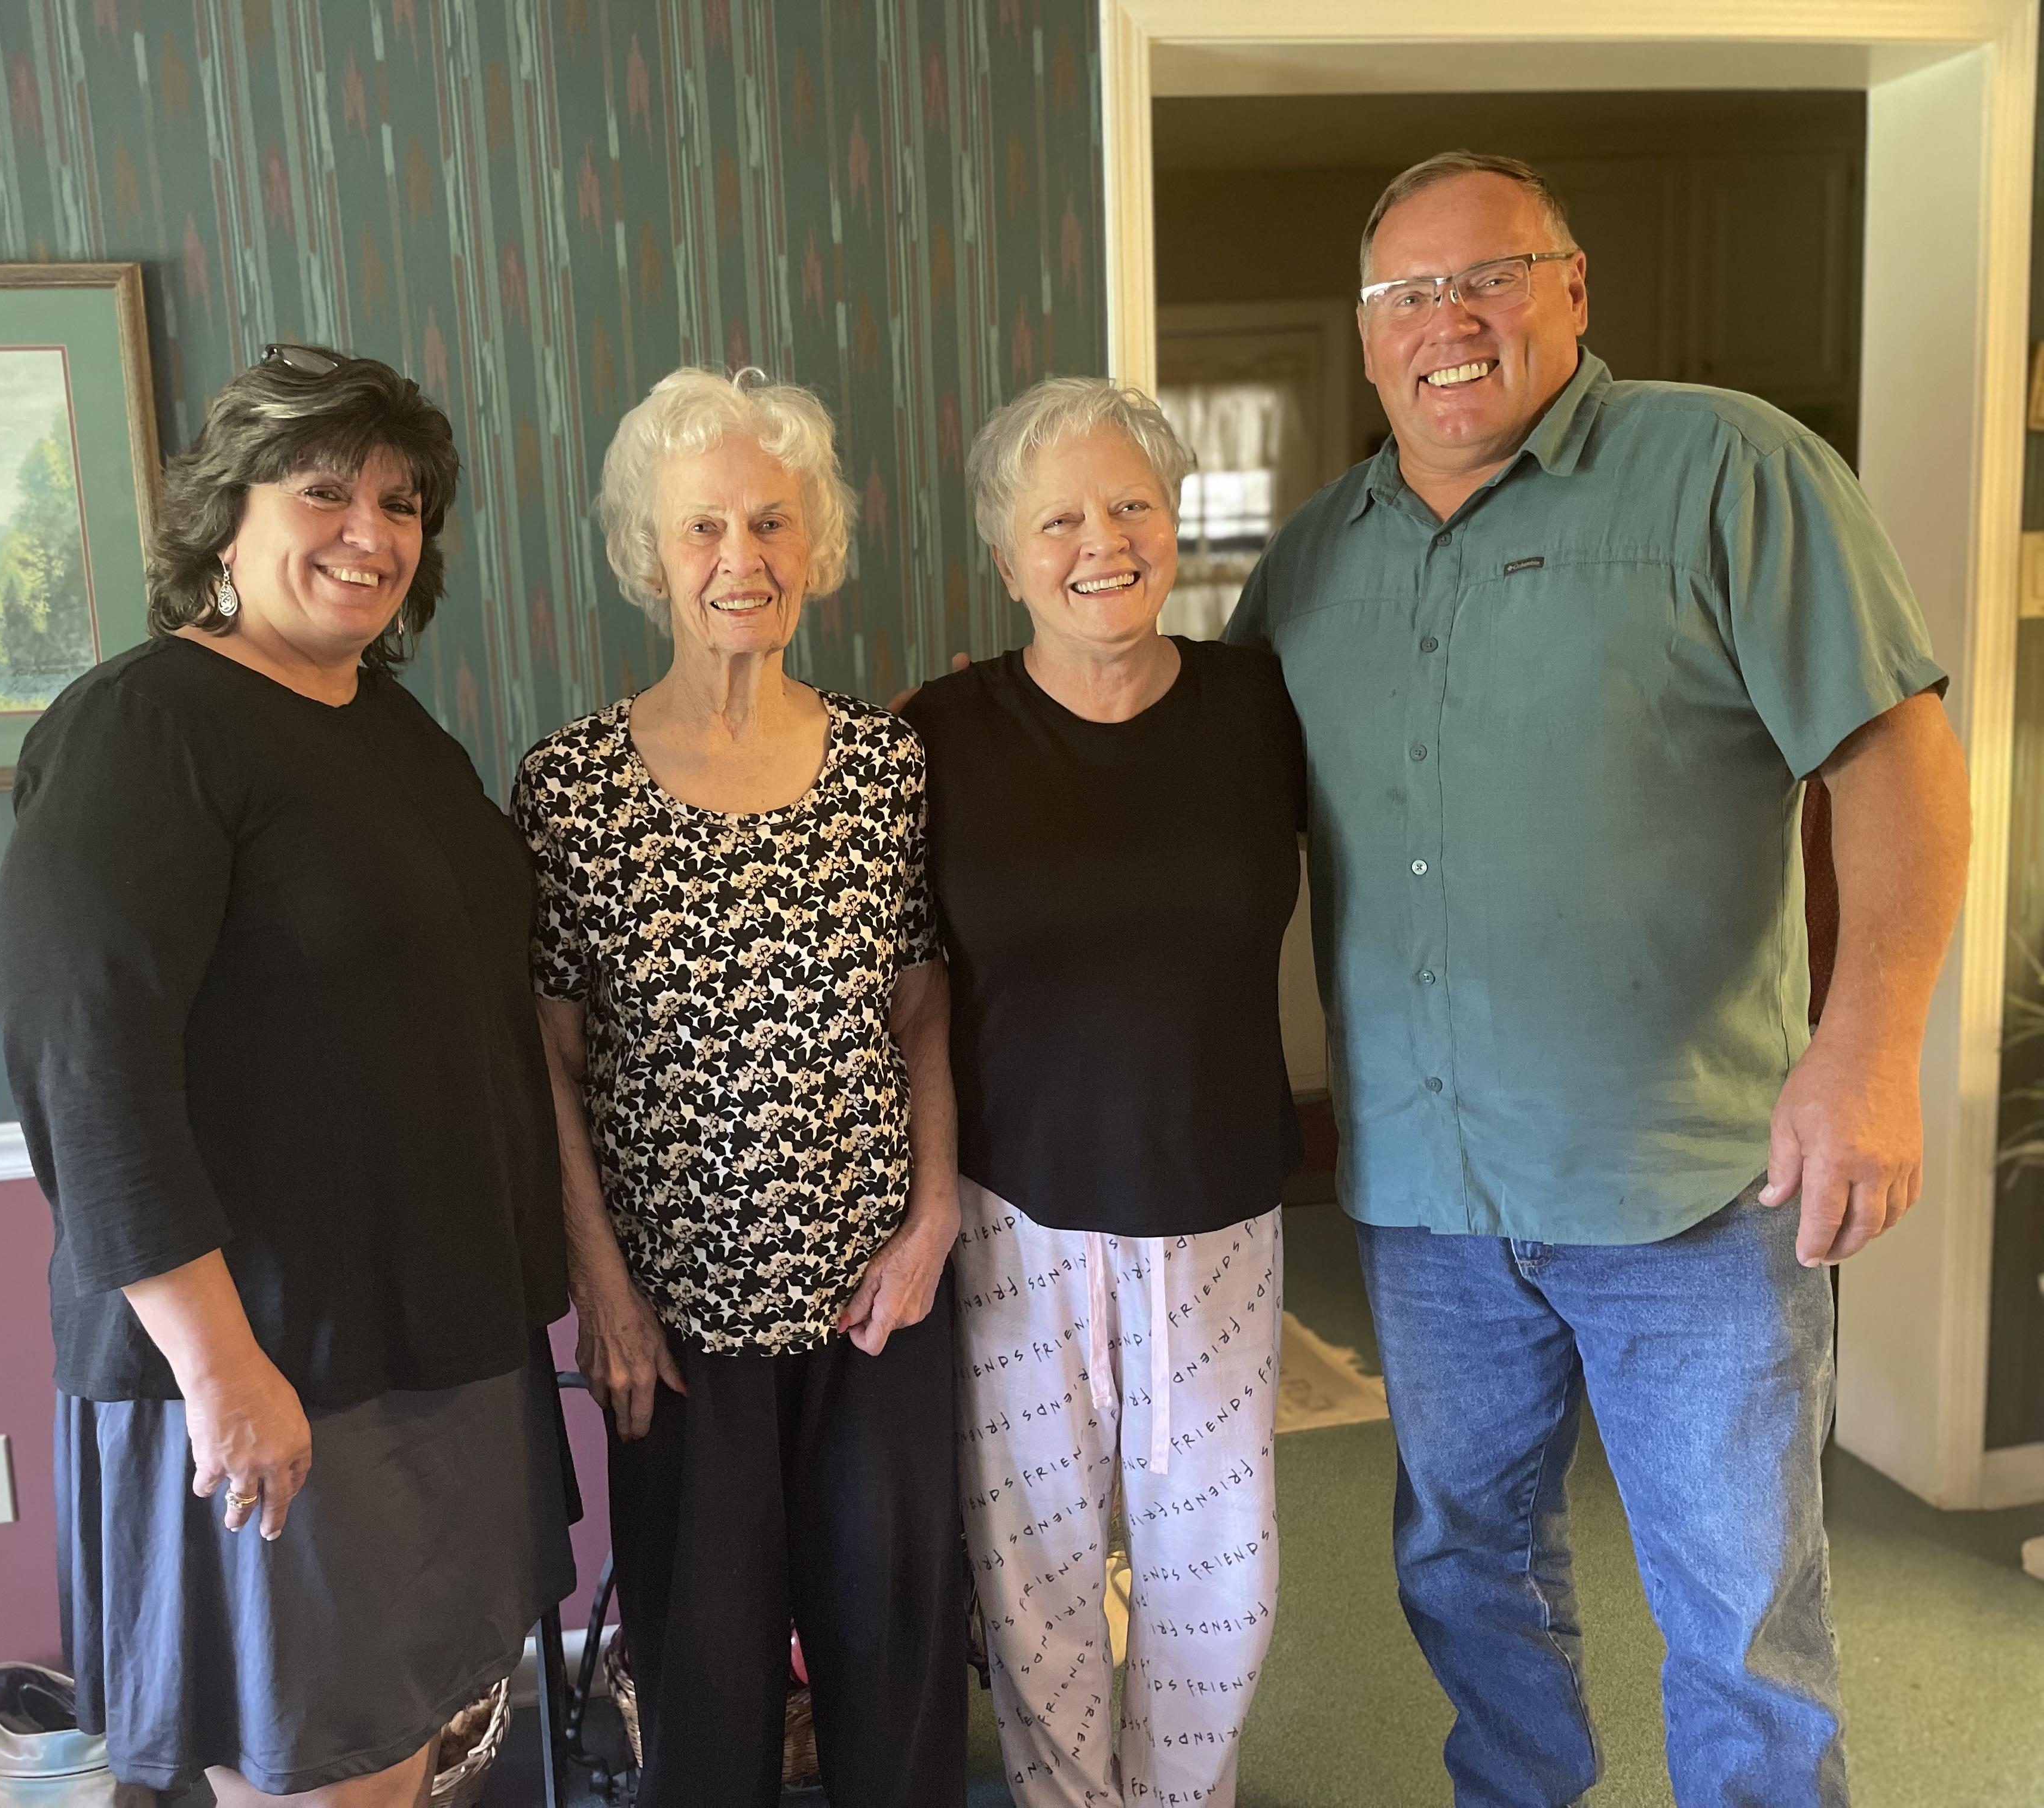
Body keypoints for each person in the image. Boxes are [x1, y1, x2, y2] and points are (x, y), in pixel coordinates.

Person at [1224, 151, 1970, 1807]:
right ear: (1368, 339)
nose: (1451, 320)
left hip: (1691, 1188)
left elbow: (1897, 761)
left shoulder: (1729, 472)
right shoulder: (1313, 563)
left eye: (1491, 274)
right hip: (1423, 1202)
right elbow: (1200, 817)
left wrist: (1869, 1054)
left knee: (1739, 1617)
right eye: (1408, 293)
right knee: (1466, 1569)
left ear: (1573, 289)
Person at [0, 344, 572, 1808]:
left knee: (415, 1741)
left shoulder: (392, 727)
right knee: (319, 1767)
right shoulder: (144, 728)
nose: (371, 532)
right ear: (226, 517)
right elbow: (88, 1068)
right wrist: (219, 1369)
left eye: (403, 501)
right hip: (276, 1358)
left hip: (429, 1332)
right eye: (324, 491)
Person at [512, 366, 964, 1807]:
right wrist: (608, 1292)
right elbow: (551, 1062)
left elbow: (921, 1013)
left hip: (874, 1304)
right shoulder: (572, 789)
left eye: (772, 524)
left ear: (815, 549)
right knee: (704, 1704)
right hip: (679, 1323)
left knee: (895, 1673)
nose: (740, 559)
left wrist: (935, 1217)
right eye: (702, 527)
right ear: (651, 555)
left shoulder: (887, 767)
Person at [902, 376, 1298, 1807]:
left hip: (1220, 1209)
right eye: (1058, 517)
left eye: (1132, 503)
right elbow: (899, 988)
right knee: (1039, 1575)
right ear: (1008, 559)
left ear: (1176, 521)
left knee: (1217, 1583)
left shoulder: (1263, 705)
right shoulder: (933, 735)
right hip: (1017, 1215)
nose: (1102, 540)